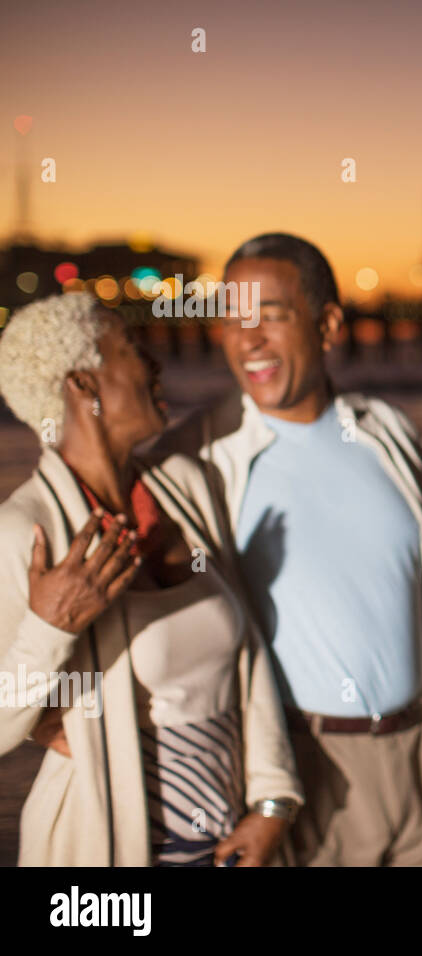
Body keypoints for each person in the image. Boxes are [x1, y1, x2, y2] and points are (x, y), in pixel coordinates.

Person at [155, 233, 422, 865]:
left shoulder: (389, 433)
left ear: (329, 324)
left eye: (271, 317)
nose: (247, 339)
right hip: (310, 779)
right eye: (232, 319)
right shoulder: (195, 459)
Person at [0, 292, 302, 866]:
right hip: (108, 851)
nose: (153, 362)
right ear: (83, 386)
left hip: (229, 845)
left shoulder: (182, 486)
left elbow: (249, 650)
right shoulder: (24, 531)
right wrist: (48, 627)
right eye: (130, 349)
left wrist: (273, 800)